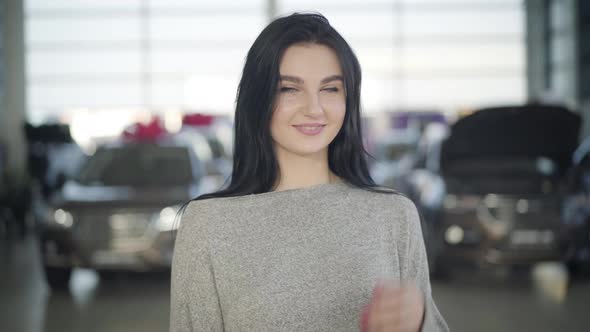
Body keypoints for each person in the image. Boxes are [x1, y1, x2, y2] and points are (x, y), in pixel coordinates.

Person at [170, 13, 449, 332]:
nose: (314, 108)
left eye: (330, 89)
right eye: (289, 89)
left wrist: (418, 323)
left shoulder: (394, 215)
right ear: (258, 99)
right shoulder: (207, 226)